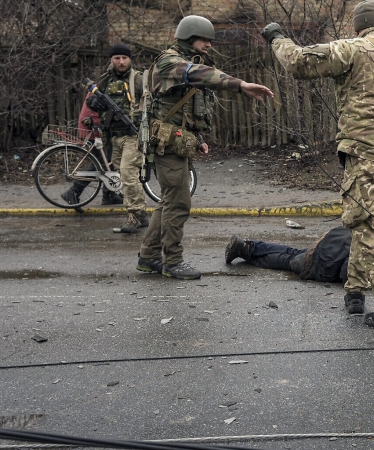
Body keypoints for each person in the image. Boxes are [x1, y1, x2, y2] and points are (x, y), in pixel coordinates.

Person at [261, 0, 374, 329]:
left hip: (365, 152)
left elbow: (299, 63)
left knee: (363, 225)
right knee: (373, 227)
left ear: (357, 26)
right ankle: (355, 291)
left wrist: (277, 38)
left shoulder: (354, 48)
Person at [137, 15, 273, 280]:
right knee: (178, 204)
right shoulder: (170, 62)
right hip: (167, 144)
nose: (209, 45)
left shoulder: (190, 63)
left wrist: (197, 139)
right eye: (204, 40)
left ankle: (148, 257)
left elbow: (181, 111)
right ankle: (172, 262)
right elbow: (194, 74)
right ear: (188, 38)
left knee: (168, 202)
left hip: (177, 142)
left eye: (210, 41)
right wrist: (240, 84)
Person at [224, 227, 374, 292]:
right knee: (289, 261)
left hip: (341, 235)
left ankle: (251, 246)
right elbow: (349, 270)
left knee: (296, 252)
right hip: (330, 256)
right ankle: (246, 250)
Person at [94, 43, 147, 233]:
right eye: (117, 58)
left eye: (124, 58)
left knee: (127, 173)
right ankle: (141, 215)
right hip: (113, 136)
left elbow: (152, 103)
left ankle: (134, 216)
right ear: (111, 60)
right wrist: (96, 103)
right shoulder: (104, 81)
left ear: (130, 59)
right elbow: (92, 102)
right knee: (127, 178)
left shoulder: (139, 80)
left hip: (133, 136)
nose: (121, 61)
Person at [60, 78, 123, 212]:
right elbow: (94, 110)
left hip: (97, 127)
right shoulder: (107, 85)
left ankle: (109, 195)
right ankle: (73, 192)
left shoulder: (106, 83)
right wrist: (98, 126)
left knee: (109, 161)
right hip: (92, 128)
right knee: (100, 164)